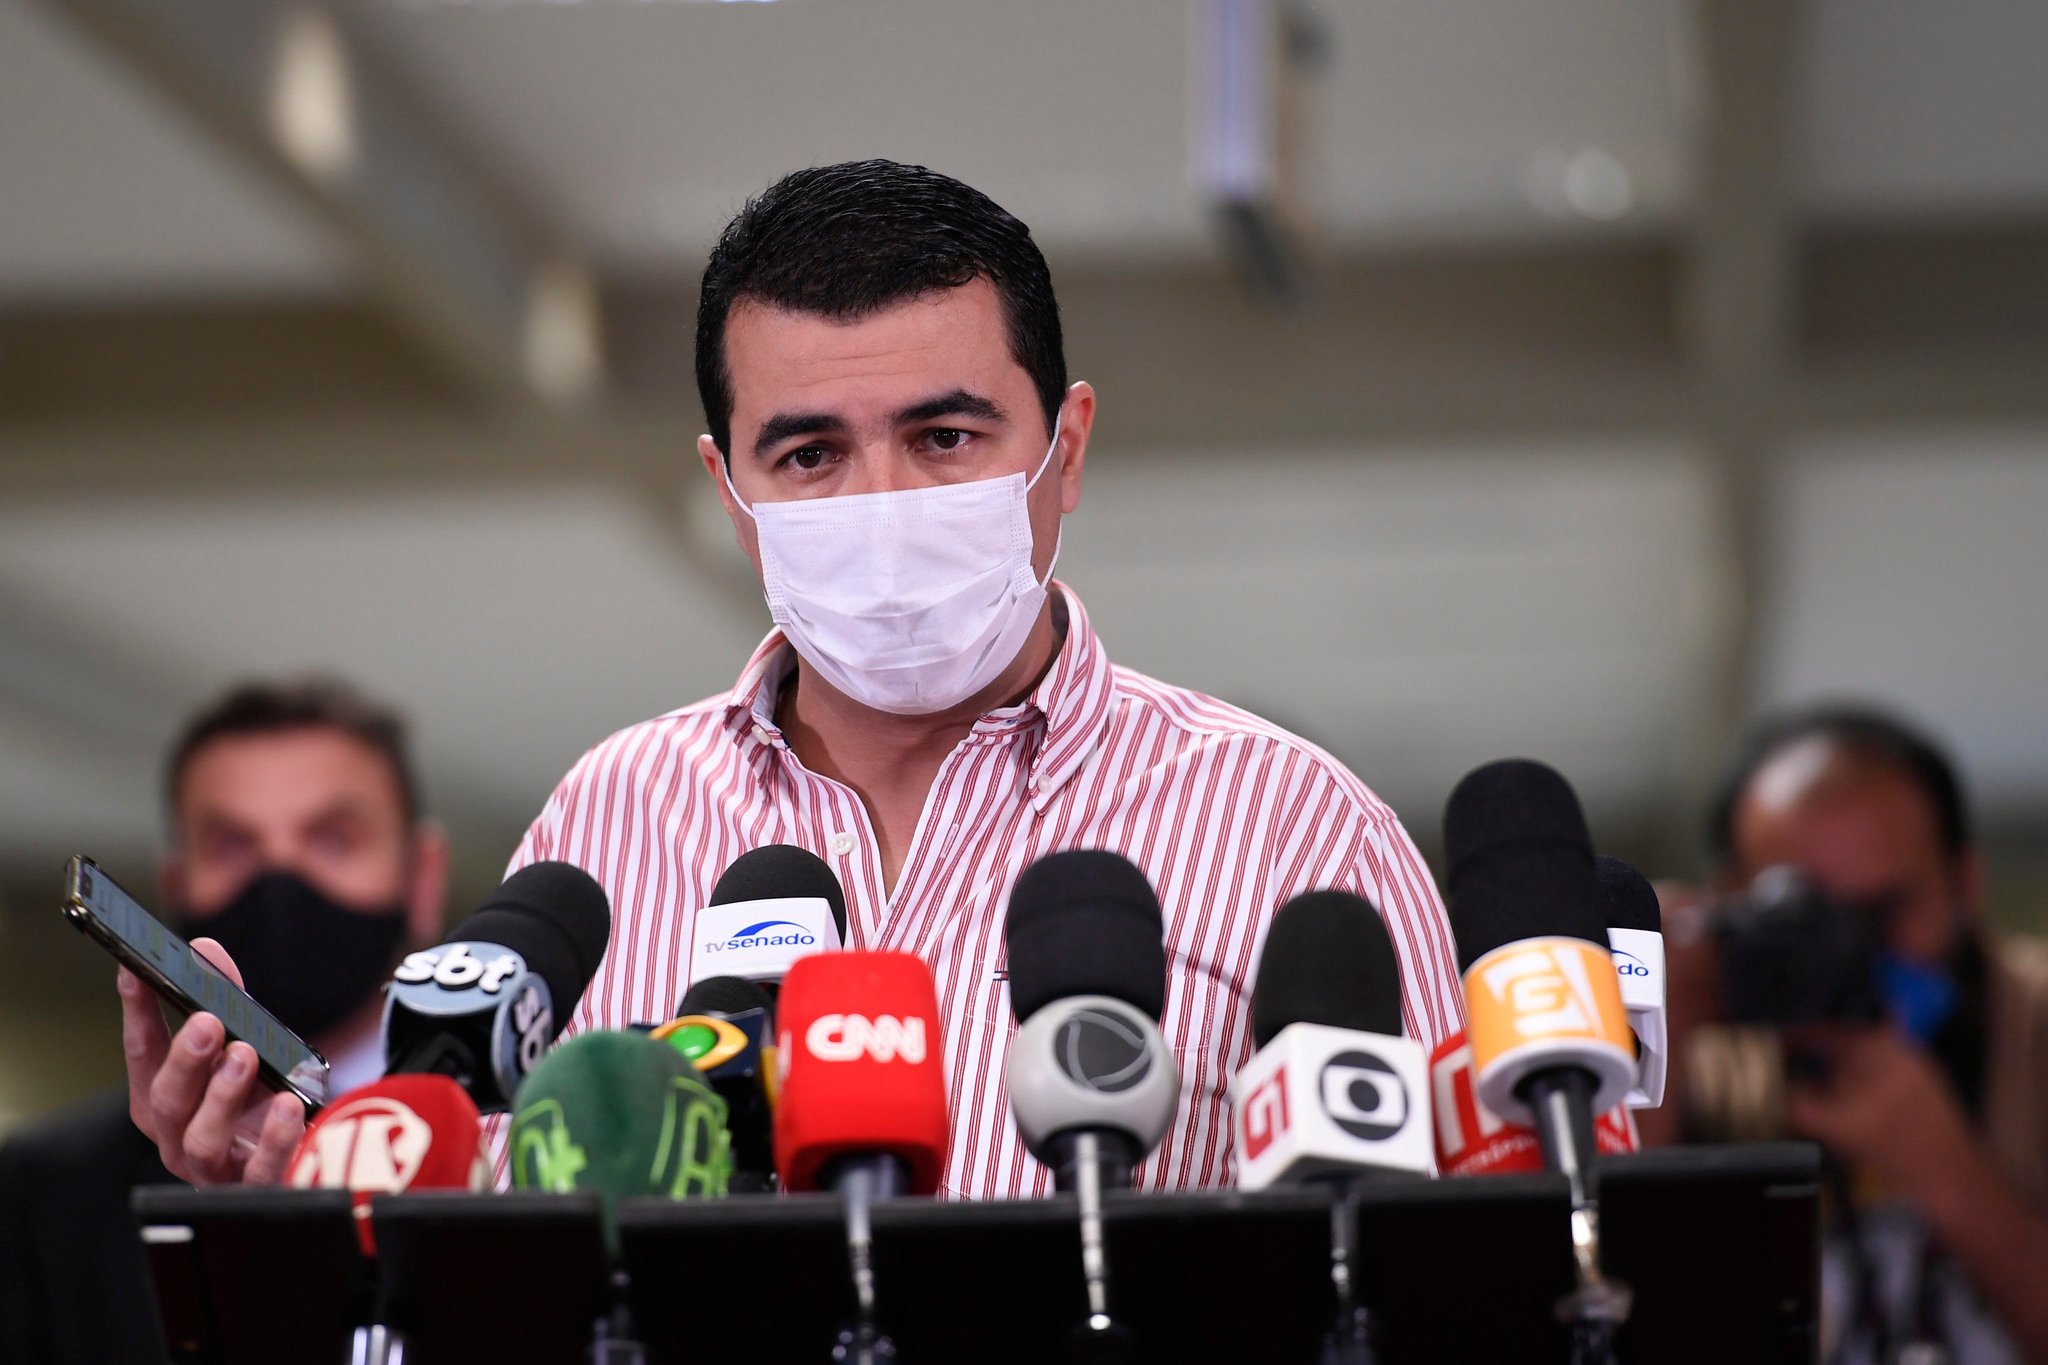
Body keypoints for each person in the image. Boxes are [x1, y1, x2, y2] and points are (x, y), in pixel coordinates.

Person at [122, 159, 1463, 1200]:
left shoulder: (1299, 831)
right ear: (730, 489)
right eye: (811, 455)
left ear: (1065, 447)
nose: (882, 505)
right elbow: (494, 1259)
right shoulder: (612, 821)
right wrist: (293, 1200)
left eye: (945, 435)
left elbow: (1481, 1255)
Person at [0, 678, 447, 1365]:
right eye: (233, 845)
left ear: (422, 878)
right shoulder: (43, 1197)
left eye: (334, 839)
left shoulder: (513, 1142)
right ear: (177, 885)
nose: (281, 879)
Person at [1680, 705, 2048, 1363]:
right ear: (1730, 902)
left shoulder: (2035, 1031)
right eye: (1804, 914)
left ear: (1965, 883)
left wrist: (1948, 1173)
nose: (1850, 951)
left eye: (1883, 910)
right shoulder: (1711, 1055)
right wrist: (1659, 1020)